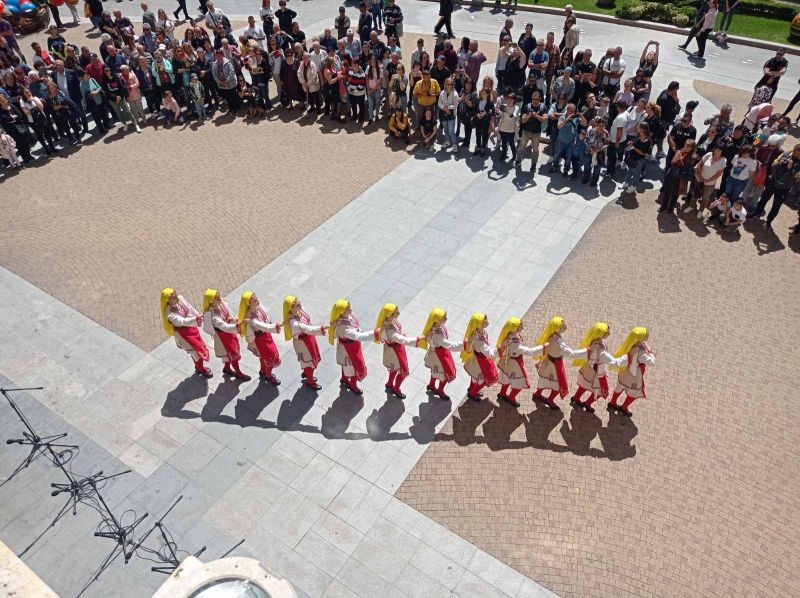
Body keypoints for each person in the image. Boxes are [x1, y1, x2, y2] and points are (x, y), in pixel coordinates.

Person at [570, 322, 629, 413]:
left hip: (589, 369)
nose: (609, 333)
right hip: (598, 372)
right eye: (607, 332)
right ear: (601, 334)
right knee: (600, 391)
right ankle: (587, 403)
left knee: (584, 385)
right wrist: (628, 357)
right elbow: (614, 362)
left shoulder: (594, 341)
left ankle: (576, 398)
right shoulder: (599, 349)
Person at [533, 316, 584, 411]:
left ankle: (537, 394)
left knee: (543, 380)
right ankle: (549, 399)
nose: (565, 327)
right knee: (559, 385)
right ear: (557, 328)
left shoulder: (549, 335)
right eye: (562, 326)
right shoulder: (559, 343)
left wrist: (540, 361)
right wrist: (587, 351)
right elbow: (572, 354)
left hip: (548, 362)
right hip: (555, 365)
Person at [329, 299, 379, 395]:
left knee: (346, 365)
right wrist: (376, 333)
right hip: (348, 350)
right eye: (347, 308)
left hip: (350, 346)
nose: (351, 309)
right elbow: (358, 336)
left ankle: (344, 379)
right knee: (353, 367)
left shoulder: (346, 316)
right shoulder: (343, 328)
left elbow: (356, 327)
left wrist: (359, 330)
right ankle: (352, 385)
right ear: (341, 312)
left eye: (349, 307)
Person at [160, 288, 213, 378]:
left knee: (198, 348)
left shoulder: (180, 298)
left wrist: (198, 316)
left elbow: (189, 308)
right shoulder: (169, 314)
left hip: (191, 328)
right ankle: (200, 369)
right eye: (173, 297)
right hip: (183, 335)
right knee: (195, 352)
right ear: (168, 300)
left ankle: (198, 367)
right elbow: (182, 321)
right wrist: (196, 318)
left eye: (176, 295)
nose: (177, 297)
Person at [495, 318, 545, 407]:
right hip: (515, 364)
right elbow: (530, 351)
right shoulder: (514, 343)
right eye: (520, 326)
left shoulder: (509, 335)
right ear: (515, 328)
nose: (522, 327)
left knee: (506, 378)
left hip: (508, 362)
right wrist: (543, 347)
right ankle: (511, 397)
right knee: (521, 382)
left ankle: (502, 393)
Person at [202, 288, 251, 381]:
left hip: (229, 333)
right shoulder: (213, 316)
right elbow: (225, 327)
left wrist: (236, 320)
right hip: (223, 337)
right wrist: (240, 323)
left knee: (230, 352)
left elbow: (229, 317)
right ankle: (238, 373)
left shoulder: (221, 304)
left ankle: (227, 368)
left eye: (219, 296)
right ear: (211, 301)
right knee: (232, 354)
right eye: (217, 298)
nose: (219, 298)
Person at [374, 303, 421, 399]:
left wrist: (402, 334)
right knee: (404, 370)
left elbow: (399, 333)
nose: (399, 313)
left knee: (394, 367)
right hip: (395, 351)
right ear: (390, 315)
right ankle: (396, 388)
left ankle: (389, 383)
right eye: (396, 312)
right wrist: (419, 339)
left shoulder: (390, 321)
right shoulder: (389, 330)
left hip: (393, 349)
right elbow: (404, 340)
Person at [750, 144, 800, 229]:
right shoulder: (786, 154)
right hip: (773, 182)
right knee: (763, 199)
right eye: (795, 152)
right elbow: (773, 165)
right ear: (793, 149)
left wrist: (790, 168)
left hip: (784, 188)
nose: (796, 155)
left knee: (776, 206)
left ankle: (768, 222)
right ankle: (756, 213)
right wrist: (781, 164)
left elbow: (795, 179)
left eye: (798, 154)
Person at [608, 327, 655, 417]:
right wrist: (650, 353)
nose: (648, 335)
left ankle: (612, 402)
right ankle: (624, 407)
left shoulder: (629, 344)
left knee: (619, 386)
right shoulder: (641, 352)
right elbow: (652, 362)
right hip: (635, 375)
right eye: (645, 335)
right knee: (635, 392)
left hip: (625, 371)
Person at [238, 292, 281, 385]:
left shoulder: (258, 307)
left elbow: (266, 318)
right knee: (270, 357)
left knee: (264, 356)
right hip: (261, 340)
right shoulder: (249, 317)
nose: (257, 300)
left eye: (256, 297)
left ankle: (262, 371)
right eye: (254, 299)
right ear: (249, 303)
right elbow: (261, 327)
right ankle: (268, 376)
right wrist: (276, 326)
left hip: (267, 336)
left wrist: (270, 323)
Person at [420, 308, 461, 401]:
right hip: (440, 356)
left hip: (440, 353)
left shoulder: (438, 327)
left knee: (435, 371)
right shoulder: (437, 335)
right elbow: (452, 346)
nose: (446, 318)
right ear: (438, 320)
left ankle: (431, 385)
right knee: (446, 373)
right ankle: (440, 390)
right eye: (444, 317)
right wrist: (464, 345)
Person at [459, 313, 499, 402]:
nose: (487, 321)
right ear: (479, 324)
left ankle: (471, 389)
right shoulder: (478, 340)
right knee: (485, 379)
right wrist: (500, 350)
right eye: (485, 321)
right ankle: (473, 393)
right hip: (481, 360)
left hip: (478, 359)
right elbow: (489, 353)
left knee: (475, 376)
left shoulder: (479, 332)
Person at [19, 88, 58, 155]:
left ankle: (52, 147)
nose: (28, 93)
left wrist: (33, 100)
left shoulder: (35, 98)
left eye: (29, 92)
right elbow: (26, 112)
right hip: (33, 121)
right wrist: (35, 110)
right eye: (26, 93)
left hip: (42, 118)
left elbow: (41, 107)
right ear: (23, 94)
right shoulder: (22, 101)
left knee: (47, 133)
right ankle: (46, 148)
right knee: (39, 135)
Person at [0, 94, 33, 163]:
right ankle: (25, 157)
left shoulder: (11, 106)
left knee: (26, 141)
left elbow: (20, 115)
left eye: (5, 100)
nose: (5, 102)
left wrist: (12, 119)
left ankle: (28, 155)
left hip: (20, 126)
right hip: (12, 130)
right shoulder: (1, 111)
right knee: (19, 144)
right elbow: (4, 120)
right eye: (2, 101)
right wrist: (12, 118)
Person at [622, 122, 652, 193]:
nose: (637, 128)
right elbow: (635, 144)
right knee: (629, 170)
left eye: (638, 127)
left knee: (636, 173)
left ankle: (633, 187)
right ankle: (626, 182)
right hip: (632, 157)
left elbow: (643, 153)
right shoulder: (638, 136)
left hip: (639, 160)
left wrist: (634, 147)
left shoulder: (647, 141)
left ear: (642, 129)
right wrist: (632, 143)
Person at [437, 77, 459, 148]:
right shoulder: (442, 92)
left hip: (451, 114)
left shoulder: (455, 94)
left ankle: (454, 144)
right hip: (443, 113)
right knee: (445, 129)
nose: (449, 86)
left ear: (453, 85)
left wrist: (448, 107)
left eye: (451, 84)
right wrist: (444, 108)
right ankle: (448, 141)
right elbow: (439, 103)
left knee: (451, 130)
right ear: (445, 84)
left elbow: (455, 105)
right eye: (448, 84)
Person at [497, 91, 519, 161]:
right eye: (508, 99)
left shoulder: (516, 107)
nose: (509, 101)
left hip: (511, 130)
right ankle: (504, 155)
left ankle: (514, 155)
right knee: (503, 143)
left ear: (514, 100)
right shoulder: (504, 106)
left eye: (511, 99)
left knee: (511, 144)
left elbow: (513, 116)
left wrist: (507, 111)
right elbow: (499, 115)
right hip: (502, 128)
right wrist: (497, 111)